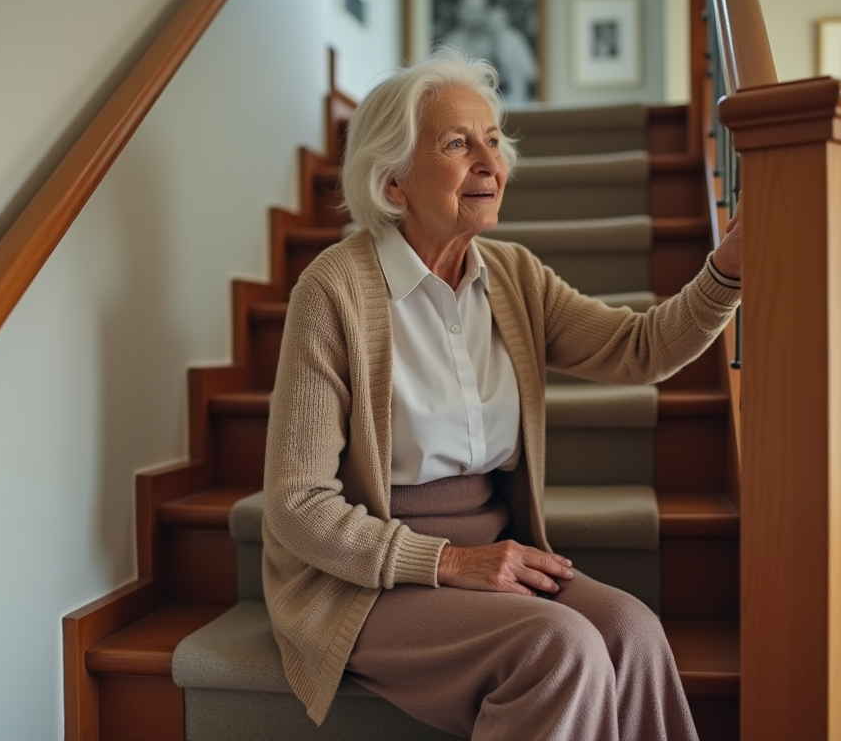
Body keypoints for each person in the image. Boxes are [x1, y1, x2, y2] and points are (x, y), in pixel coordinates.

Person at [261, 49, 743, 740]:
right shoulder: (332, 290)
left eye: (493, 140)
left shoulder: (515, 277)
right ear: (393, 181)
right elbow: (297, 504)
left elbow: (640, 348)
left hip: (495, 554)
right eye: (458, 143)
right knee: (562, 649)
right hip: (365, 579)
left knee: (634, 633)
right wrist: (450, 562)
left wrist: (726, 270)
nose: (489, 161)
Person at [442, 0, 538, 105]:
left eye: (479, 9)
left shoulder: (508, 37)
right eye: (469, 9)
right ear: (458, 11)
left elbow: (531, 74)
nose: (474, 14)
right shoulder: (451, 41)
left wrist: (501, 44)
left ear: (489, 11)